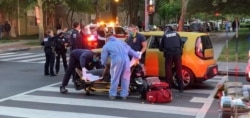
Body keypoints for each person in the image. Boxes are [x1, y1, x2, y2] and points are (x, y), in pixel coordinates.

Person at [101, 32, 140, 100]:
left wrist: (104, 65)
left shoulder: (107, 45)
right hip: (126, 60)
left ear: (106, 39)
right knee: (125, 78)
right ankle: (124, 95)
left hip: (116, 60)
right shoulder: (122, 43)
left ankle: (113, 94)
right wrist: (138, 56)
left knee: (115, 77)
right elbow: (131, 51)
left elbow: (104, 58)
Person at [159, 26, 184, 93]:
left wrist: (165, 49)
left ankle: (169, 86)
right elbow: (182, 44)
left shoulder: (165, 36)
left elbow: (160, 48)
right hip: (177, 53)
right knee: (178, 70)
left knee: (168, 70)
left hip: (169, 54)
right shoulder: (176, 34)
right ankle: (181, 87)